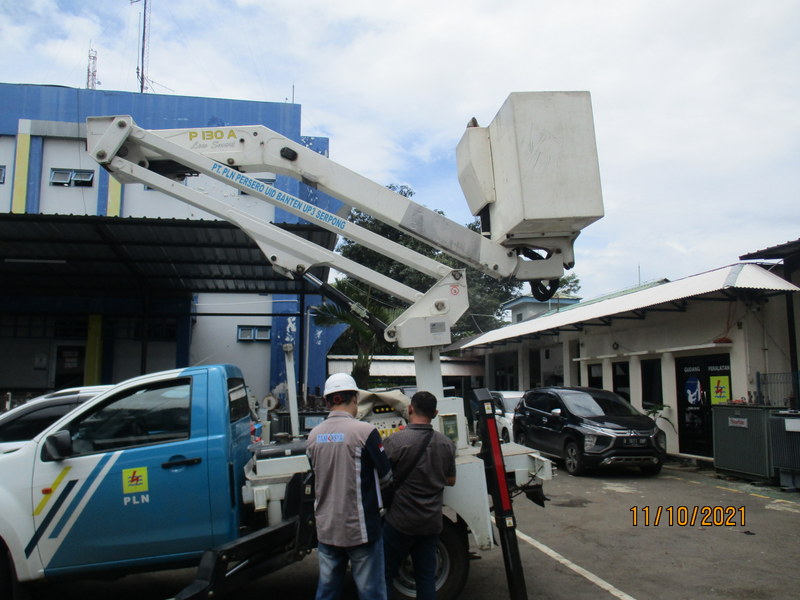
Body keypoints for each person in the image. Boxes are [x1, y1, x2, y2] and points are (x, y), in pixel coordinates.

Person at [306, 372, 393, 600]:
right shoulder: (365, 432)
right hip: (360, 530)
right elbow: (386, 477)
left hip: (326, 528)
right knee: (371, 591)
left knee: (327, 591)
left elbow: (316, 474)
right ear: (355, 398)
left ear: (327, 401)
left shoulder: (313, 436)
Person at [383, 391, 457, 600]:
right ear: (435, 413)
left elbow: (382, 477)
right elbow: (451, 480)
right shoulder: (447, 444)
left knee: (386, 573)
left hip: (399, 522)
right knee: (426, 577)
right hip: (430, 523)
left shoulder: (395, 441)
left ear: (410, 409)